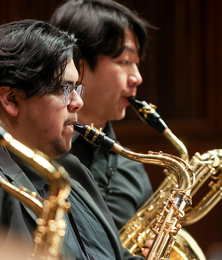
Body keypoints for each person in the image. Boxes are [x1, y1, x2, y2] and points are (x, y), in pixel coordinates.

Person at [0, 20, 143, 260]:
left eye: (76, 89)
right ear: (11, 99)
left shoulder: (72, 170)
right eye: (63, 90)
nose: (77, 102)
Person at [50, 0, 154, 229]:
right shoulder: (33, 152)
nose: (137, 78)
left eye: (137, 64)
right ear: (77, 63)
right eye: (124, 61)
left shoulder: (132, 168)